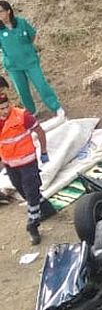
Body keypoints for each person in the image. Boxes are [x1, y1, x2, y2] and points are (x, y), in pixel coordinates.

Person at [0, 76, 48, 244]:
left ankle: (33, 223)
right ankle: (46, 207)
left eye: (6, 107)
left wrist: (44, 151)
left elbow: (40, 131)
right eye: (1, 109)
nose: (5, 111)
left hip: (28, 162)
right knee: (24, 190)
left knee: (30, 189)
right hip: (10, 164)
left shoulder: (22, 116)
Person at [0, 1, 65, 119]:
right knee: (22, 90)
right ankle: (31, 112)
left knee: (41, 85)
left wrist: (26, 48)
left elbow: (32, 35)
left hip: (30, 61)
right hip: (14, 66)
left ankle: (55, 107)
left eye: (1, 12)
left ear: (8, 11)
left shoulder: (21, 23)